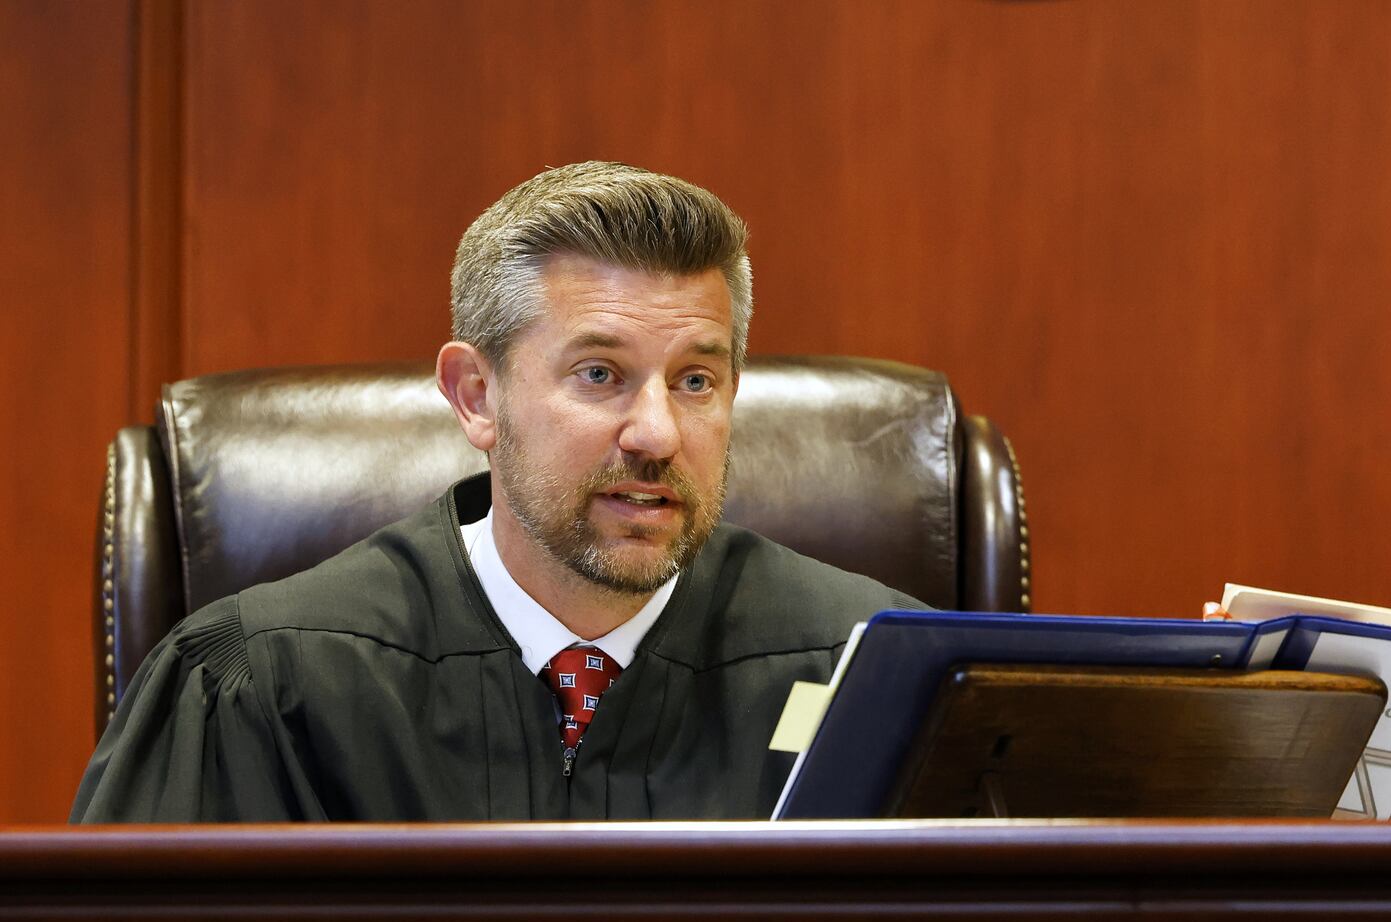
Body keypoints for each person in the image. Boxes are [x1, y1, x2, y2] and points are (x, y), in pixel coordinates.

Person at [71, 162, 922, 822]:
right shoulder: (267, 681)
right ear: (477, 395)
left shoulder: (876, 672)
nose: (657, 435)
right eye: (600, 374)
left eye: (697, 380)